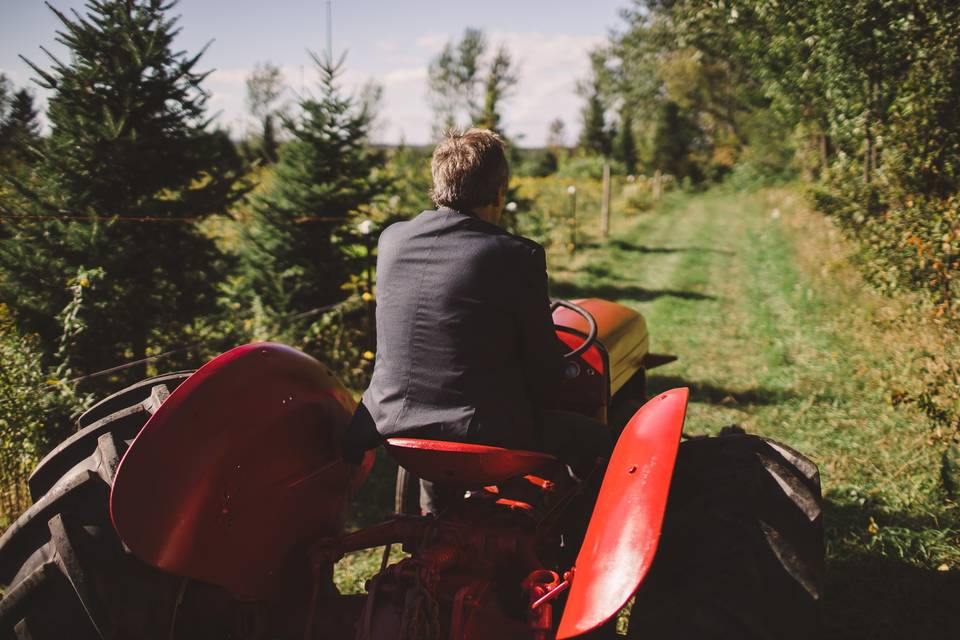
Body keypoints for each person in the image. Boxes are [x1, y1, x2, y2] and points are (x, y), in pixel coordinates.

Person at [343, 129, 611, 503]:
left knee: (443, 432)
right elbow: (543, 368)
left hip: (391, 423)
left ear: (437, 183)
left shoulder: (392, 239)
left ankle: (435, 527)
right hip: (482, 433)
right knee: (607, 445)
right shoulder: (518, 255)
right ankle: (586, 536)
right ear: (500, 192)